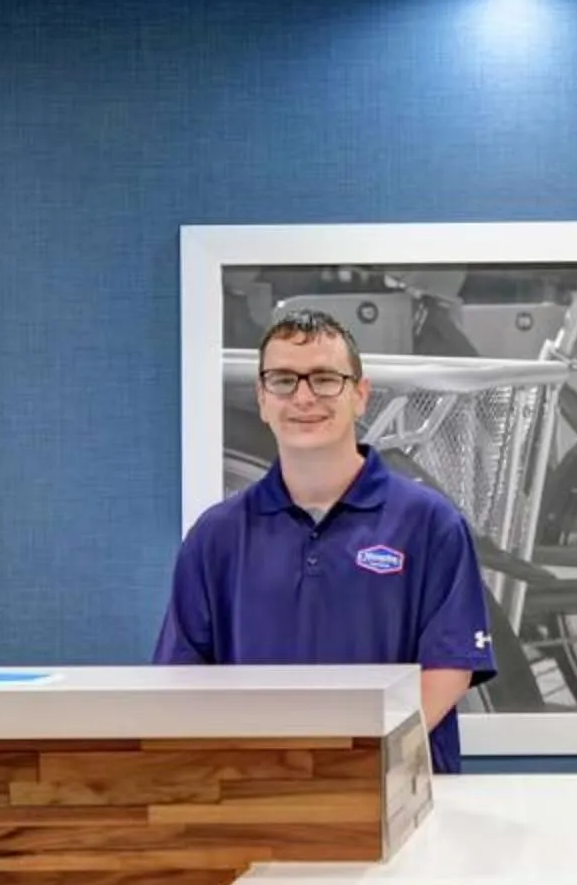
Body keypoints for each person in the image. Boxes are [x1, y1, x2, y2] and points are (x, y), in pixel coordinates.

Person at [154, 307, 498, 773]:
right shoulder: (216, 536)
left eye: (324, 379)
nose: (304, 397)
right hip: (257, 793)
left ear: (360, 394)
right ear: (261, 398)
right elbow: (183, 679)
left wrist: (351, 761)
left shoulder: (430, 523)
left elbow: (447, 671)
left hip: (396, 796)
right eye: (283, 380)